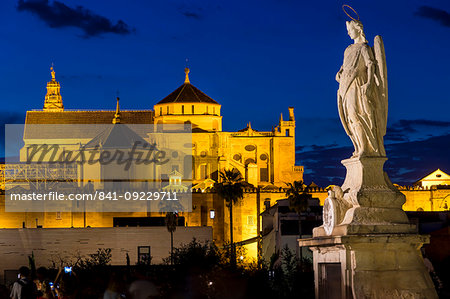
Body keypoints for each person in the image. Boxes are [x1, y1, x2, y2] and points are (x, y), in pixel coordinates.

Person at [336, 19, 387, 158]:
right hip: (345, 87)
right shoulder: (347, 50)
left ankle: (366, 148)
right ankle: (359, 147)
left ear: (358, 29)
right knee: (350, 119)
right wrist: (339, 74)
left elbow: (371, 65)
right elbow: (343, 68)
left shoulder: (363, 48)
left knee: (357, 115)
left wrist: (369, 83)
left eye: (350, 30)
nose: (348, 33)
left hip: (358, 86)